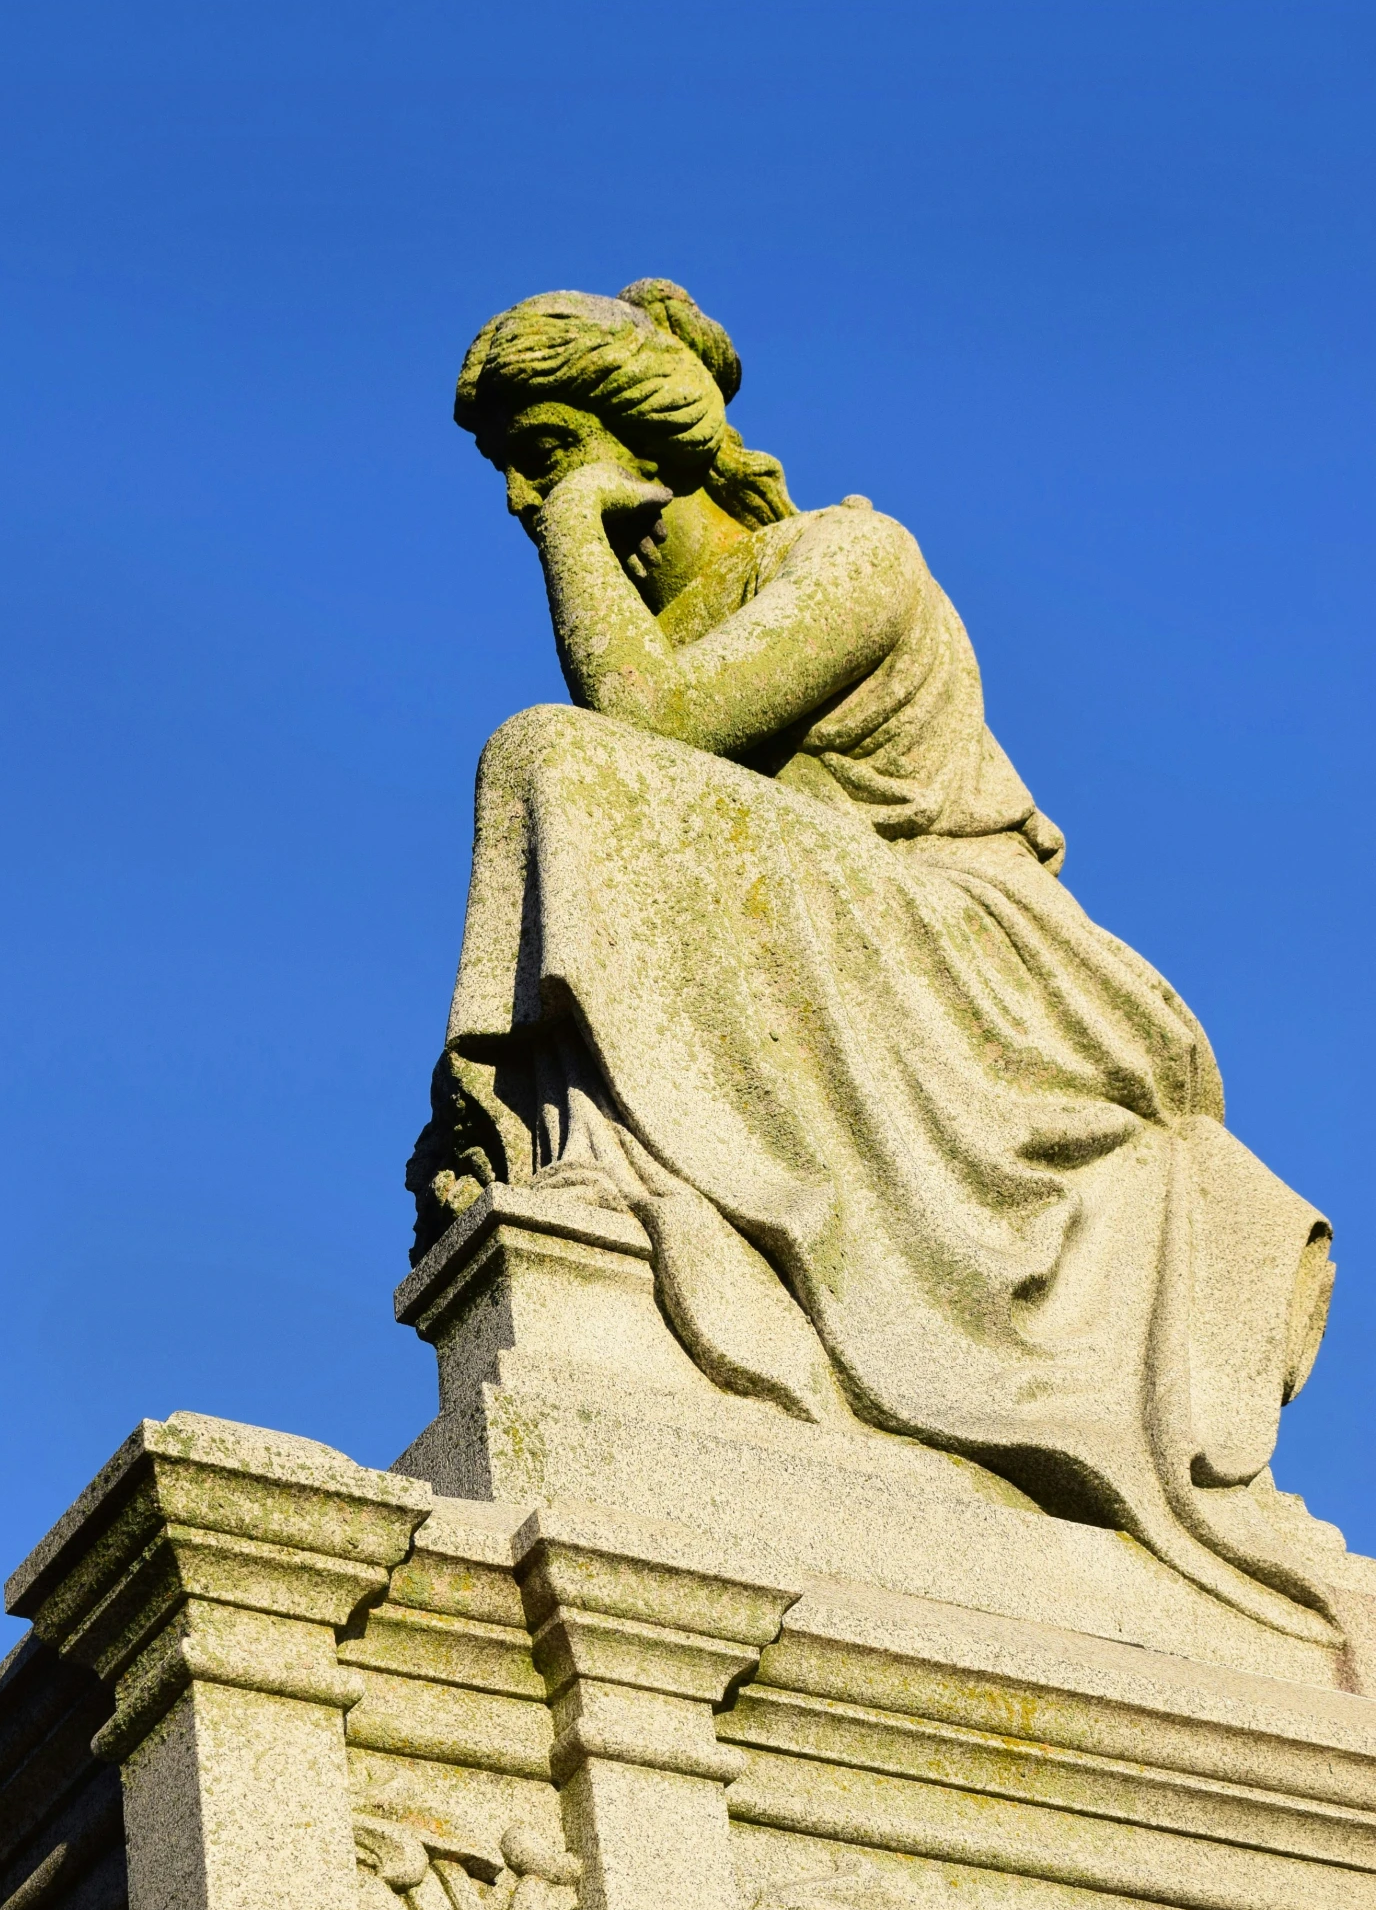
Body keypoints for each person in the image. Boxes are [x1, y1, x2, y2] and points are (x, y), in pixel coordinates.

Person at [408, 278, 1337, 1643]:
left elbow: (648, 722)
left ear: (643, 437)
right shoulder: (671, 618)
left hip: (991, 963)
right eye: (511, 476)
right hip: (855, 937)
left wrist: (568, 537)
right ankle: (614, 1193)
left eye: (543, 456)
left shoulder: (852, 559)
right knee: (563, 770)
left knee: (551, 759)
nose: (517, 503)